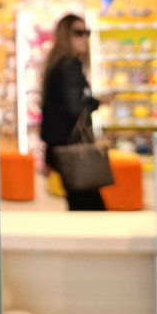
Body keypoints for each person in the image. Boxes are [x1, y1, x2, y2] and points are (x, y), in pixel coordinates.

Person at [40, 13, 106, 211]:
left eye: (87, 32)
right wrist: (97, 102)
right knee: (90, 206)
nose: (84, 38)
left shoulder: (55, 63)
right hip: (73, 148)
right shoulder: (70, 64)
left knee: (78, 202)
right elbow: (75, 107)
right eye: (78, 33)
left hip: (58, 145)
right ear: (64, 35)